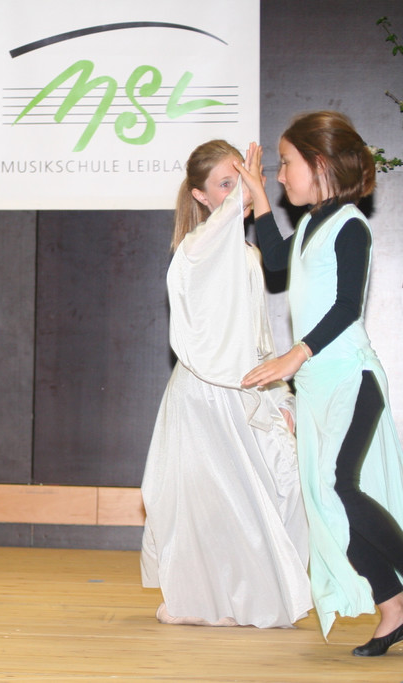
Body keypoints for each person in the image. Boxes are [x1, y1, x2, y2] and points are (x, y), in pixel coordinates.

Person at [240, 111, 403, 655]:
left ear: (319, 164)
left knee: (338, 486)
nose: (281, 175)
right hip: (316, 386)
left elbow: (346, 306)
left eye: (286, 164)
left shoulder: (350, 225)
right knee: (324, 498)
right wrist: (257, 195)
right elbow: (277, 260)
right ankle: (394, 608)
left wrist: (295, 355)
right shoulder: (311, 225)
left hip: (351, 378)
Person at [140, 140, 312, 628]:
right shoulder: (197, 250)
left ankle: (250, 595)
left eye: (243, 179)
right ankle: (199, 600)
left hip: (245, 389)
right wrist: (250, 191)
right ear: (201, 195)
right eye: (225, 184)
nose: (241, 191)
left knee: (271, 488)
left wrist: (279, 396)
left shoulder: (247, 252)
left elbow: (258, 333)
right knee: (213, 500)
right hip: (207, 396)